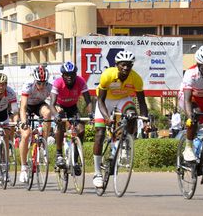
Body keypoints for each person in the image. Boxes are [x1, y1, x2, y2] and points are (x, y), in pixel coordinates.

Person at [92, 51, 148, 188]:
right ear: (117, 65)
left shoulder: (136, 78)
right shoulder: (107, 75)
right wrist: (106, 117)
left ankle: (125, 144)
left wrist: (146, 122)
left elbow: (142, 102)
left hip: (123, 99)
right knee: (99, 133)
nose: (126, 68)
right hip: (105, 101)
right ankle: (97, 172)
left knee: (132, 114)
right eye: (123, 65)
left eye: (129, 65)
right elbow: (100, 100)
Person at [49, 61, 92, 175]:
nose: (69, 77)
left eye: (72, 74)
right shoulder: (58, 83)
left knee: (81, 130)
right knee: (61, 125)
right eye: (67, 75)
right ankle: (59, 155)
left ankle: (76, 160)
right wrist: (56, 115)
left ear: (75, 74)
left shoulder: (81, 81)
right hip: (59, 107)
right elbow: (51, 104)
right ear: (62, 75)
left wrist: (91, 114)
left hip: (73, 107)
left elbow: (88, 100)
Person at [18, 65, 53, 183]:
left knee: (48, 113)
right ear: (34, 80)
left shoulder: (49, 87)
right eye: (39, 83)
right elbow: (22, 107)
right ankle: (23, 167)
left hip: (39, 105)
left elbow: (53, 105)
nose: (41, 86)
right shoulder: (28, 85)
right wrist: (23, 122)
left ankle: (44, 141)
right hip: (27, 107)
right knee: (26, 134)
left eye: (44, 83)